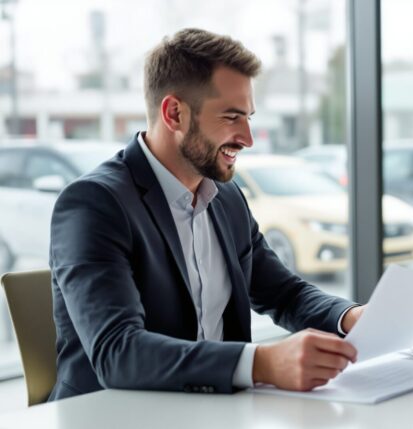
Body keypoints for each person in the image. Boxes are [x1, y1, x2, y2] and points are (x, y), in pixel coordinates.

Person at [48, 28, 366, 401]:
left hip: (214, 409)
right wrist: (261, 363)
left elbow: (284, 294)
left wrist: (351, 318)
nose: (248, 138)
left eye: (248, 117)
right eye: (232, 117)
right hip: (111, 413)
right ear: (174, 113)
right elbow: (118, 351)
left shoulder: (226, 197)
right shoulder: (94, 204)